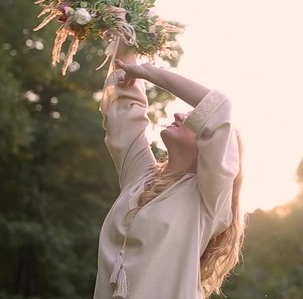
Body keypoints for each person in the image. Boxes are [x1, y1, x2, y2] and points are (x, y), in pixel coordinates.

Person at [93, 42, 245, 299]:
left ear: (210, 149)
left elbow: (219, 108)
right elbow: (122, 105)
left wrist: (149, 72)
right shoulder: (140, 178)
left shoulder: (208, 200)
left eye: (193, 118)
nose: (179, 114)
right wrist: (125, 30)